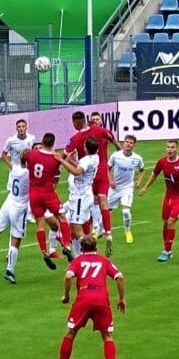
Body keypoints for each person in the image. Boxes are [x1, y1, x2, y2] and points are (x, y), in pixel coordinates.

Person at [52, 234, 126, 359]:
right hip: (101, 300)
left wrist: (66, 296)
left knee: (70, 333)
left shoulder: (78, 260)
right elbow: (119, 277)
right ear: (96, 248)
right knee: (107, 335)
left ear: (81, 248)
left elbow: (68, 276)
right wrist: (122, 298)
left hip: (84, 299)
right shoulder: (104, 260)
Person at [22, 133, 78, 270]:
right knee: (62, 217)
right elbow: (56, 176)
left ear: (42, 142)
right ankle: (66, 245)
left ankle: (44, 252)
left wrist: (24, 164)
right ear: (53, 143)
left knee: (40, 224)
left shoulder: (30, 154)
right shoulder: (54, 159)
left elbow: (23, 154)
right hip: (48, 193)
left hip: (34, 194)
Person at [66, 110, 119, 248]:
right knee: (100, 203)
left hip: (87, 176)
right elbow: (112, 138)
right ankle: (106, 233)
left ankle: (87, 243)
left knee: (78, 219)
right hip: (98, 171)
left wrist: (61, 160)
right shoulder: (100, 131)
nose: (95, 120)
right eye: (94, 118)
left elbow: (70, 160)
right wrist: (120, 150)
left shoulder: (77, 138)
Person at [61, 137, 101, 258]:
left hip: (80, 198)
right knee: (73, 229)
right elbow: (82, 169)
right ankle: (78, 258)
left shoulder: (86, 160)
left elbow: (77, 171)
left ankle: (91, 256)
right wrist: (71, 160)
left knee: (78, 230)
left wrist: (62, 161)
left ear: (85, 147)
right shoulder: (95, 158)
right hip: (85, 195)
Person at [105, 134, 145, 244]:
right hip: (114, 188)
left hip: (127, 188)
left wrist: (139, 181)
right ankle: (101, 230)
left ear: (134, 145)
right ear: (123, 143)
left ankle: (127, 231)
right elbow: (107, 169)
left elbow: (142, 170)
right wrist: (110, 181)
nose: (128, 144)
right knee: (106, 211)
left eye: (131, 142)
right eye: (127, 141)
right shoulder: (115, 156)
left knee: (126, 211)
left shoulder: (137, 158)